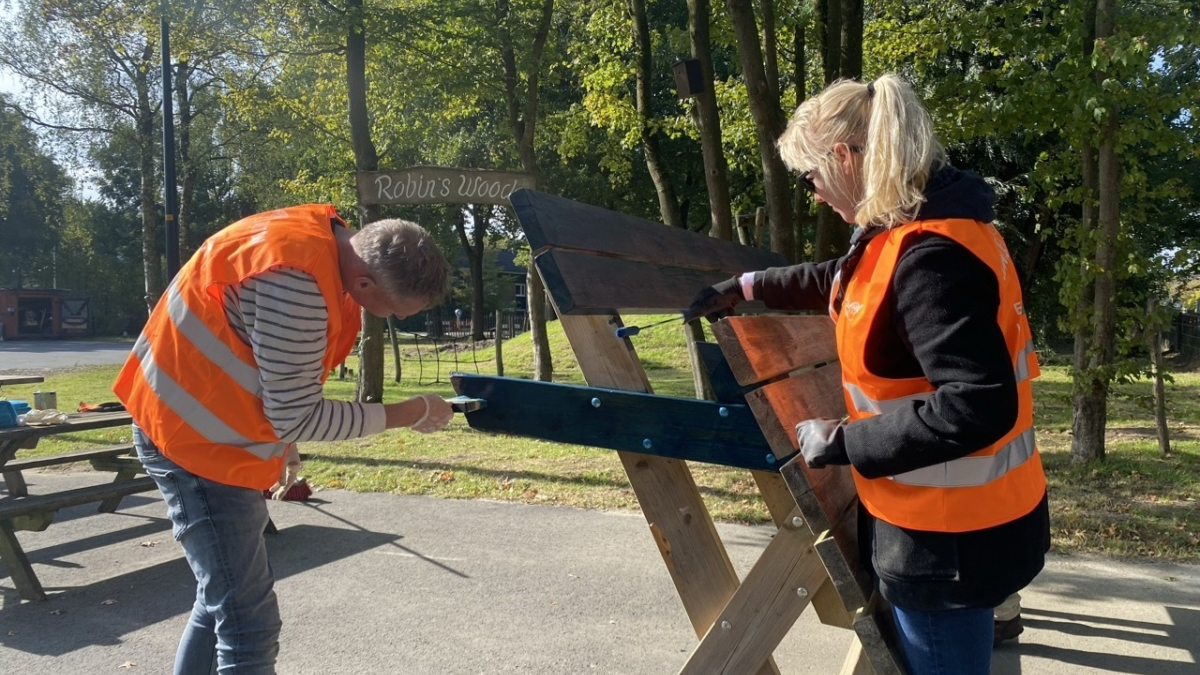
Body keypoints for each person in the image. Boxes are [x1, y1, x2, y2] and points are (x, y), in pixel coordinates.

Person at [687, 75, 1049, 675]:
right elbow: (839, 276)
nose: (815, 195)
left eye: (811, 177)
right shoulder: (927, 229)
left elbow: (977, 405)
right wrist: (744, 287)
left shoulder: (930, 257)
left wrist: (842, 442)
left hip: (944, 542)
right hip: (973, 523)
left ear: (846, 157)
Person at [113, 204, 456, 674]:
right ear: (363, 284)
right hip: (194, 446)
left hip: (201, 432)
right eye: (395, 310)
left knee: (223, 603)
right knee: (247, 628)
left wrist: (283, 442)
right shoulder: (296, 286)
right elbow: (296, 414)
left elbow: (268, 371)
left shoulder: (311, 239)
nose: (393, 320)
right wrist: (410, 412)